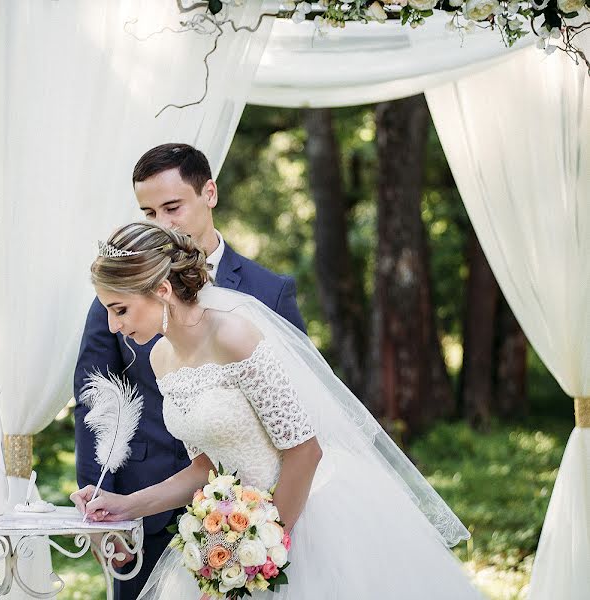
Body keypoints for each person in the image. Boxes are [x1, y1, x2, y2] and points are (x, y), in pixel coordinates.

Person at [72, 222, 485, 599]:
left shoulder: (234, 335)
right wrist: (125, 505)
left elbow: (305, 452)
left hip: (308, 519)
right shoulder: (162, 358)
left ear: (162, 290)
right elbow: (205, 469)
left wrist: (260, 559)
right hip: (238, 534)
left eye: (120, 309)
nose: (112, 326)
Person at [73, 144, 305, 599]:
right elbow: (93, 397)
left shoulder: (260, 301)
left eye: (172, 207)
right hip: (168, 510)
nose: (162, 223)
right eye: (148, 212)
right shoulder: (132, 313)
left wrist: (258, 547)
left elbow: (301, 439)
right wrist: (114, 503)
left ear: (210, 193)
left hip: (270, 525)